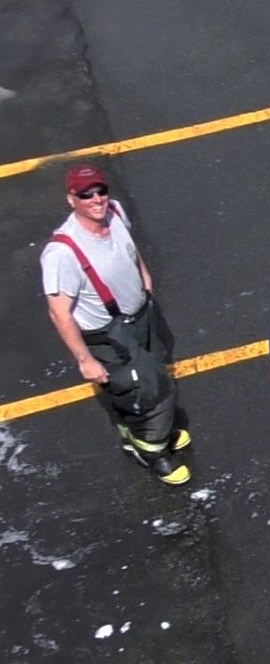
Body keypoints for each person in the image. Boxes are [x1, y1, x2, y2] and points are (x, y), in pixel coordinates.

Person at [40, 164, 191, 486]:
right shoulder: (61, 254)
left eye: (100, 191)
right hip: (110, 334)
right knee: (150, 391)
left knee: (134, 383)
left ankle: (139, 433)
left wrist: (145, 280)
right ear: (71, 199)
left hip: (140, 318)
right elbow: (59, 313)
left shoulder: (115, 212)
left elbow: (130, 251)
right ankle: (152, 452)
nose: (97, 199)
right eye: (86, 194)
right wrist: (85, 360)